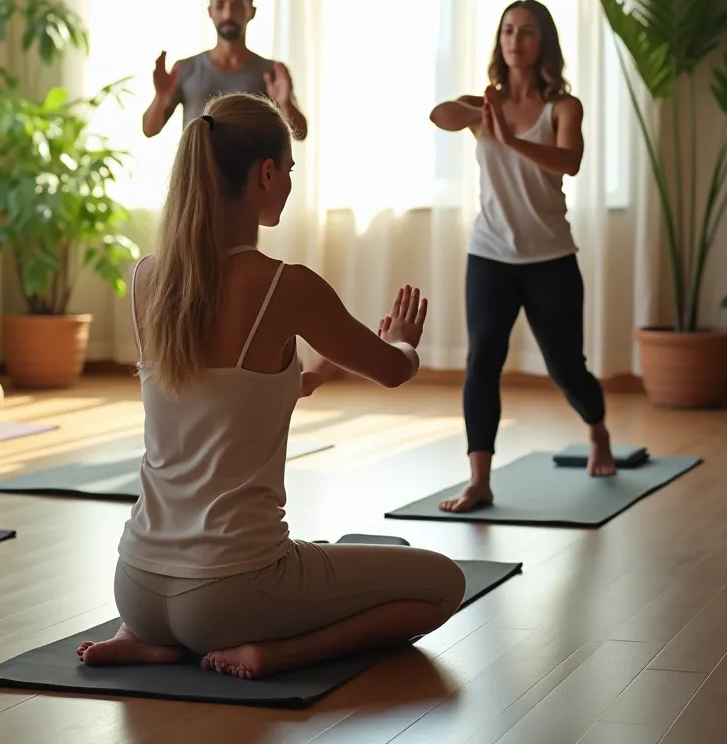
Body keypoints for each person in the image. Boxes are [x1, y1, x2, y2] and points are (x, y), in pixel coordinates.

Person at [77, 92, 465, 680]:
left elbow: (223, 398)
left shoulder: (149, 279)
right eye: (288, 170)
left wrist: (318, 374)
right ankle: (276, 654)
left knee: (368, 568)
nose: (288, 183)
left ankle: (149, 640)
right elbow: (393, 371)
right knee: (442, 583)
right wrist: (405, 340)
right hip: (231, 594)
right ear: (265, 173)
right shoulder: (285, 285)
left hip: (136, 585)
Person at [429, 0, 617, 515]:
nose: (515, 40)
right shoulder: (484, 103)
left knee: (566, 367)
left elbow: (570, 160)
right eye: (508, 31)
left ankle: (598, 432)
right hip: (489, 253)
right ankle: (480, 480)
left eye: (527, 32)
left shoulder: (563, 106)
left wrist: (510, 138)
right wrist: (480, 114)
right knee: (482, 360)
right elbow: (439, 115)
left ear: (543, 43)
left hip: (550, 258)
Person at [141, 0, 309, 141]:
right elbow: (150, 130)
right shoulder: (185, 68)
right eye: (220, 5)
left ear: (252, 11)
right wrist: (161, 97)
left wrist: (285, 105)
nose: (228, 14)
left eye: (237, 5)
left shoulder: (272, 72)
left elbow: (300, 134)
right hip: (195, 168)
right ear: (210, 11)